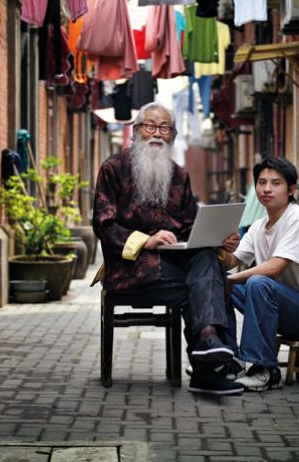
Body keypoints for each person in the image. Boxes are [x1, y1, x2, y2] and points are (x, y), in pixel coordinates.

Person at [92, 102, 243, 396]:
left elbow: (188, 227)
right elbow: (103, 224)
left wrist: (218, 239)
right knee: (208, 283)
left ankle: (207, 347)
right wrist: (145, 240)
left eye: (164, 128)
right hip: (129, 267)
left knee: (206, 260)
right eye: (150, 126)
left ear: (172, 136)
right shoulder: (113, 169)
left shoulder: (179, 175)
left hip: (172, 265)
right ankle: (209, 359)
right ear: (136, 132)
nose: (157, 134)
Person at [221, 157, 299, 392]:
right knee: (219, 285)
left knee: (258, 282)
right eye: (262, 182)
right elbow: (231, 262)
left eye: (275, 183)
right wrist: (220, 246)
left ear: (291, 189)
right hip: (278, 305)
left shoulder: (297, 217)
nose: (266, 189)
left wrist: (231, 279)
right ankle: (230, 361)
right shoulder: (257, 226)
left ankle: (264, 370)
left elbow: (275, 268)